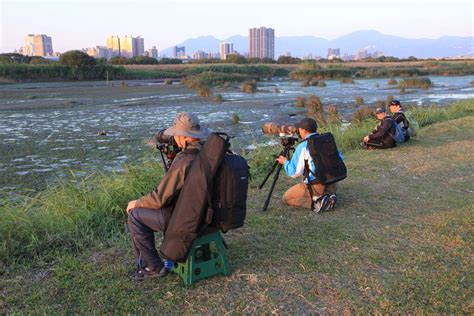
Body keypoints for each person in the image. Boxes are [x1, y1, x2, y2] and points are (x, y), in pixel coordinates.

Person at [126, 112, 211, 280]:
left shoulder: (184, 160)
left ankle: (153, 267)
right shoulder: (207, 153)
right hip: (205, 212)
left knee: (135, 215)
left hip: (185, 217)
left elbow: (159, 199)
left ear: (182, 137)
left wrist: (137, 202)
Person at [276, 118, 340, 212]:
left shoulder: (304, 146)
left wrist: (285, 162)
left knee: (286, 198)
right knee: (321, 184)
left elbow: (294, 172)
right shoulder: (326, 140)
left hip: (318, 184)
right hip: (333, 180)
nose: (298, 131)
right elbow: (339, 159)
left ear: (304, 130)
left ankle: (319, 201)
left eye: (299, 129)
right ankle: (328, 194)